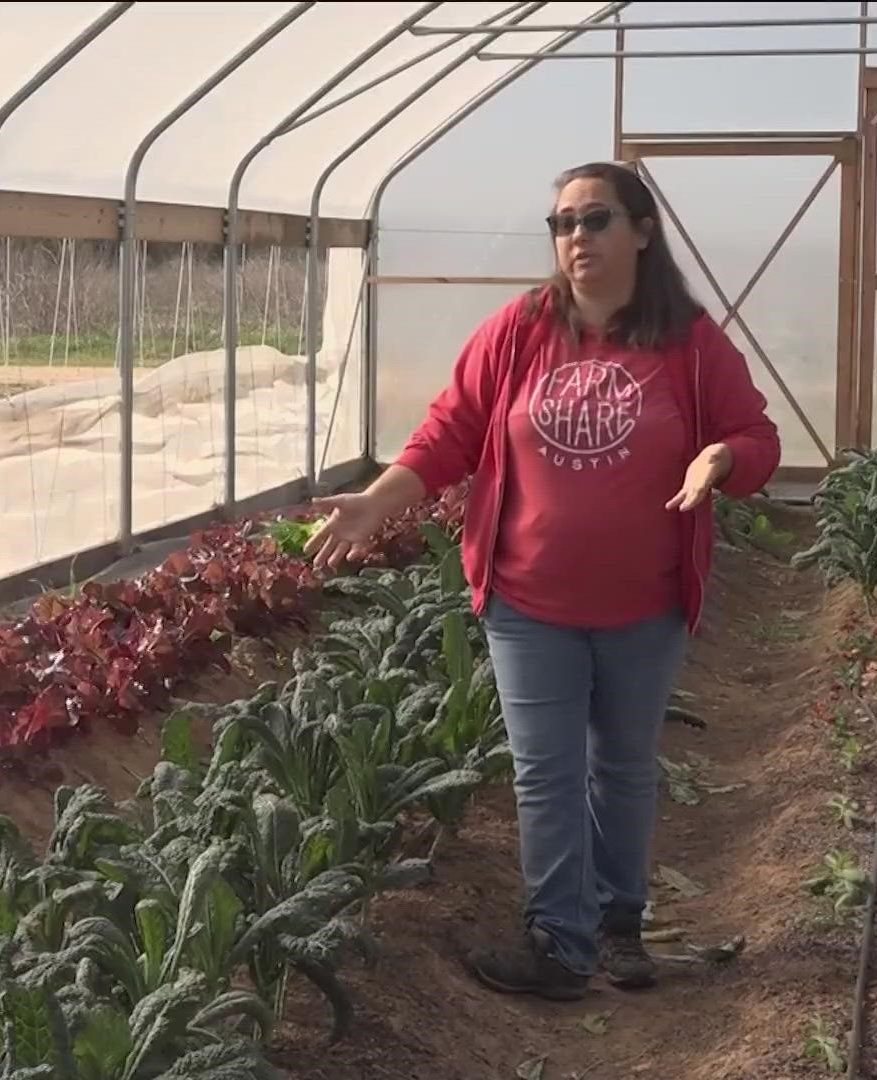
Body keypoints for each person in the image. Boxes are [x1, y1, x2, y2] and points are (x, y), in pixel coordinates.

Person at [304, 161, 782, 1000]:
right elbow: (448, 433)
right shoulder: (518, 330)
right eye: (562, 223)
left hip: (647, 604)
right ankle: (560, 944)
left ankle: (618, 925)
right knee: (546, 771)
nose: (577, 238)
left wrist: (725, 456)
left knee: (625, 766)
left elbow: (757, 436)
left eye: (596, 220)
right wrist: (375, 505)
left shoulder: (690, 342)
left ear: (641, 230)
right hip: (529, 602)